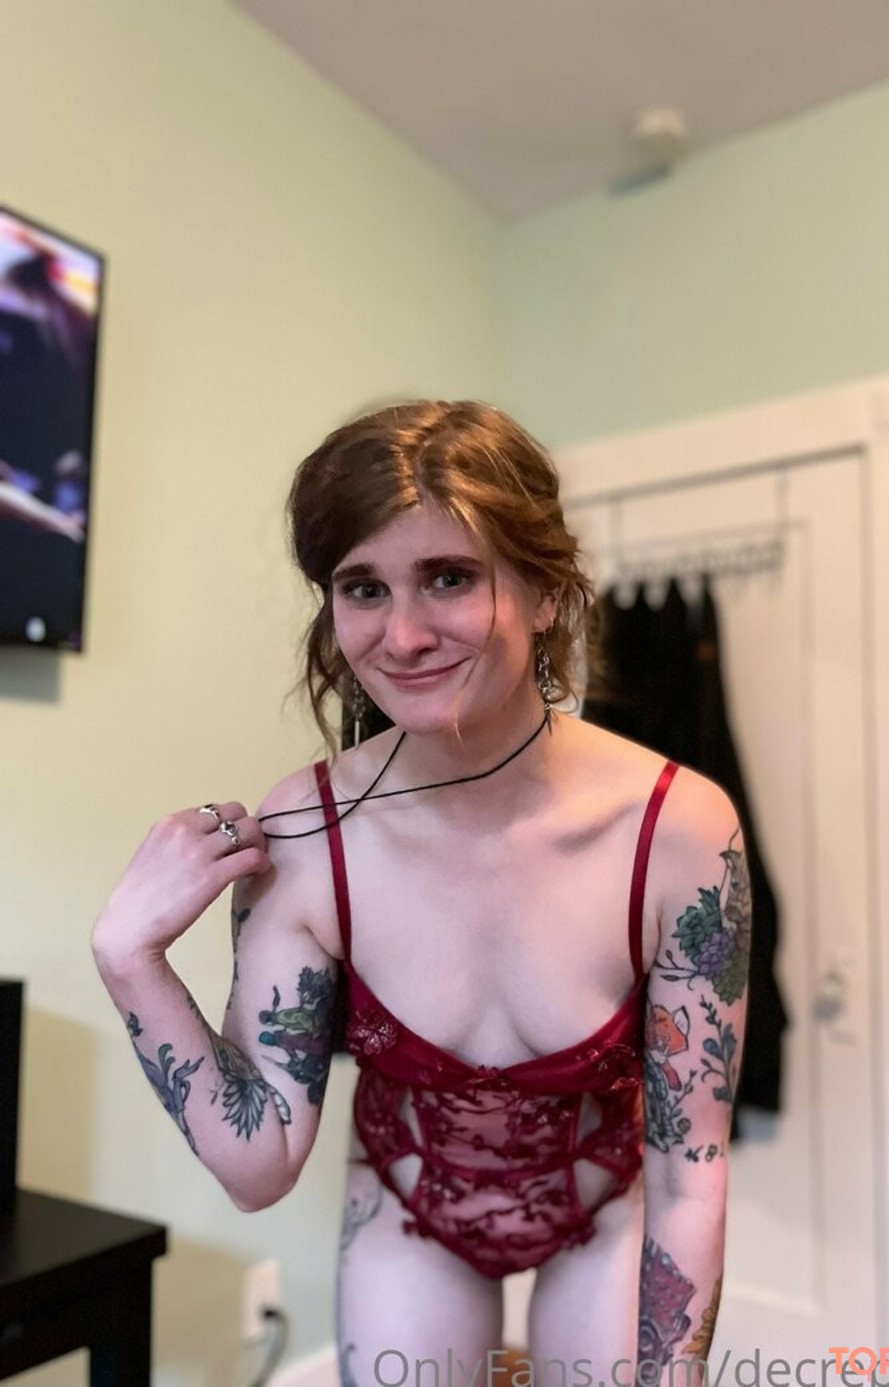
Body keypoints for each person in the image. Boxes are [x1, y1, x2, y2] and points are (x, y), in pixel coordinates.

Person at [91, 400, 749, 1382]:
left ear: (545, 590)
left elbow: (690, 1173)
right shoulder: (310, 837)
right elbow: (260, 1165)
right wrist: (129, 959)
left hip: (610, 1216)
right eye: (364, 587)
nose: (402, 635)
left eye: (449, 577)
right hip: (406, 1221)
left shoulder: (677, 829)